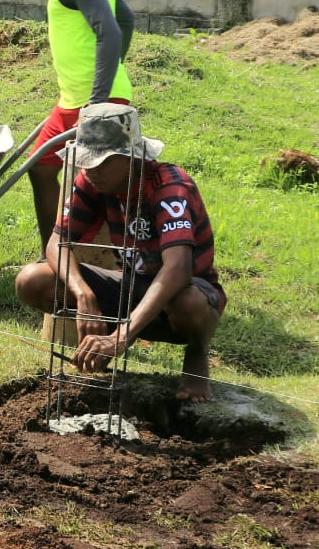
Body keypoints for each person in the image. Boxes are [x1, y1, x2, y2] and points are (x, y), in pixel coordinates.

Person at [13, 103, 225, 402]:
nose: (91, 171)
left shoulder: (169, 188)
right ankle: (105, 340)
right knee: (33, 279)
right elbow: (56, 243)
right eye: (87, 162)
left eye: (101, 163)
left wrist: (124, 335)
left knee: (189, 302)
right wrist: (84, 294)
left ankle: (196, 352)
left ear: (131, 156)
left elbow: (178, 269)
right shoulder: (92, 182)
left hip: (185, 294)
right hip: (132, 285)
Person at [12, 0, 136, 253]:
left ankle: (84, 259)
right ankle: (53, 252)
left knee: (95, 184)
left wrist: (98, 104)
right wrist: (111, 73)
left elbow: (111, 30)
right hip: (76, 96)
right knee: (41, 167)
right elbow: (126, 19)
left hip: (92, 100)